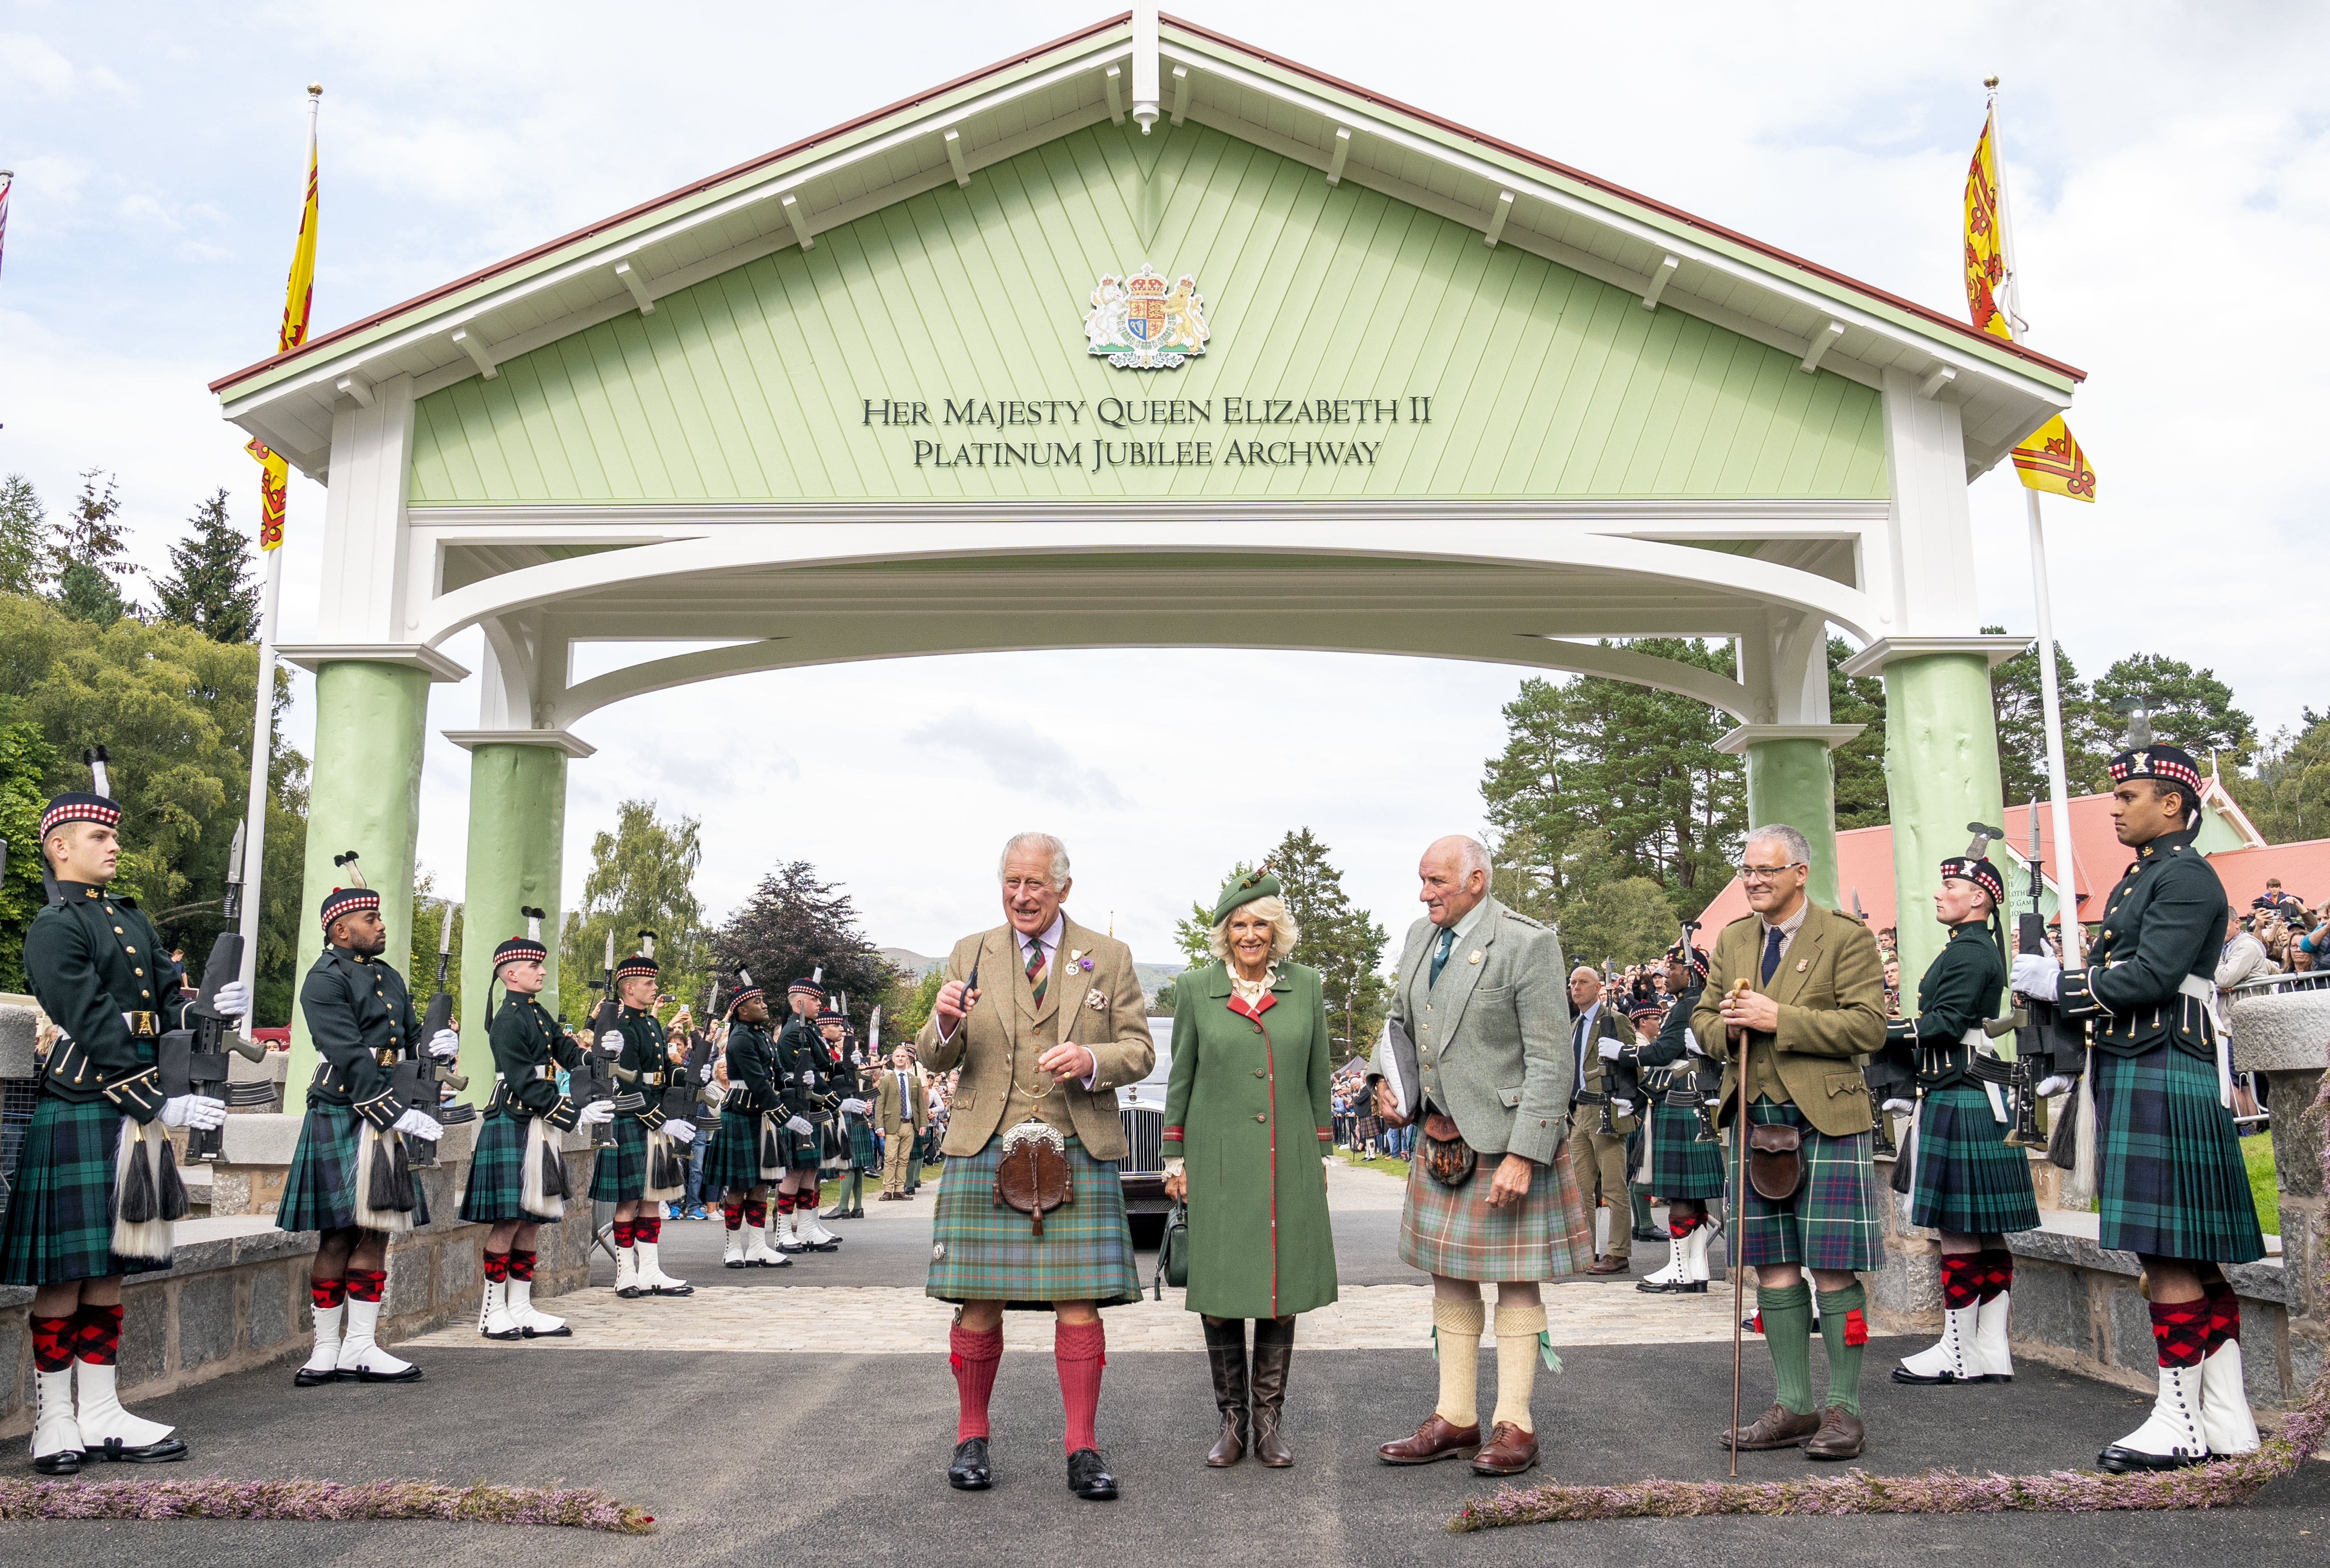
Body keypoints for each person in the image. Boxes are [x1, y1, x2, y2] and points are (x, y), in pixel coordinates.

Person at [2012, 744, 2264, 1471]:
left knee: (2170, 1252)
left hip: (2161, 1060)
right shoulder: (2148, 875)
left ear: (2174, 805)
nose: (2116, 807)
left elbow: (2152, 975)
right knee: (2188, 1255)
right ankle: (2225, 1419)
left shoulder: (2183, 876)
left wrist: (2063, 986)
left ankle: (2178, 1419)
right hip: (2139, 1062)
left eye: (2129, 795)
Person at [3, 773, 236, 1472]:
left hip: (128, 1107)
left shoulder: (131, 919)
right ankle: (55, 1419)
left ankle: (103, 1411)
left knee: (110, 1265)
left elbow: (165, 1002)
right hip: (85, 1098)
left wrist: (207, 1008)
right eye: (101, 836)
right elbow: (93, 1022)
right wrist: (156, 1102)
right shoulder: (54, 928)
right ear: (60, 847)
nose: (114, 846)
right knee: (66, 1273)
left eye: (115, 835)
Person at [918, 831, 1155, 1501]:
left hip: (1075, 1142)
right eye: (1012, 883)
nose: (1022, 896)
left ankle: (1082, 1447)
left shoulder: (1107, 957)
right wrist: (939, 1025)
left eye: (1036, 886)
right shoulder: (972, 952)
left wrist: (1092, 1060)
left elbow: (1139, 1050)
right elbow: (938, 1058)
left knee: (1078, 1302)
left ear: (1063, 890)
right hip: (986, 1142)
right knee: (978, 1299)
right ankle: (971, 1437)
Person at [1372, 836, 1590, 1480]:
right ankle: (1454, 1417)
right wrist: (1395, 1092)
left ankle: (1515, 1423)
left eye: (1435, 881)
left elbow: (1552, 1058)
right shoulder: (1418, 936)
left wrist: (1527, 1152)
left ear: (1475, 880)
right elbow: (1398, 1024)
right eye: (1421, 880)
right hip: (1438, 1135)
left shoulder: (1527, 943)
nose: (1423, 893)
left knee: (1517, 1279)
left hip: (1504, 1140)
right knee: (1448, 1274)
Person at [1694, 823, 1887, 1461]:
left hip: (1826, 1119)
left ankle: (1846, 1409)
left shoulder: (1846, 936)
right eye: (1747, 870)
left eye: (1766, 871)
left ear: (1800, 872)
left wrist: (1782, 1019)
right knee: (1773, 1266)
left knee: (1832, 1265)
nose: (1752, 880)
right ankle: (1794, 1404)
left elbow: (1868, 1027)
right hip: (1755, 1116)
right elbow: (1701, 1018)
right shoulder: (1733, 938)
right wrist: (1724, 1027)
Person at [1161, 872, 1337, 1469]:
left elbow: (1319, 1072)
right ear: (1224, 933)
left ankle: (1268, 1424)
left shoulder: (1307, 986)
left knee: (1279, 1292)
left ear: (1276, 930)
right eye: (1238, 924)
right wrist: (1174, 1156)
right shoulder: (1194, 988)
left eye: (1260, 923)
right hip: (1217, 1162)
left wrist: (1320, 1152)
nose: (1249, 934)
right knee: (1219, 1293)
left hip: (1284, 1158)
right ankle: (1231, 1422)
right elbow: (1181, 1076)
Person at [279, 856, 461, 1389]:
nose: (381, 925)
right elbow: (347, 1053)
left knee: (376, 1231)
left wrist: (437, 1048)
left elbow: (408, 1042)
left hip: (387, 1109)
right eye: (371, 918)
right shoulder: (323, 978)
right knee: (336, 1235)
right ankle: (325, 1348)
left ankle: (361, 1345)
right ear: (341, 928)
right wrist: (392, 1111)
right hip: (343, 1107)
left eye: (380, 918)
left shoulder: (388, 975)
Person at [1887, 847, 2037, 1387]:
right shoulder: (1973, 947)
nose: (1938, 893)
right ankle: (1989, 1347)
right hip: (1976, 1087)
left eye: (1949, 887)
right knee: (1986, 1227)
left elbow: (1946, 1023)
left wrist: (1879, 1033)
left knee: (1958, 1227)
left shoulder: (1971, 952)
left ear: (1978, 897)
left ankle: (1958, 1349)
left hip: (1959, 1085)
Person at [460, 925, 613, 1338]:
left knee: (531, 1220)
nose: (542, 971)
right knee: (508, 1220)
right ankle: (492, 1312)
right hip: (514, 1119)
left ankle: (522, 1306)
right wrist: (572, 1114)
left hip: (536, 1122)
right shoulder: (509, 1019)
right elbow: (523, 1081)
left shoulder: (536, 1012)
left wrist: (600, 1050)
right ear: (510, 973)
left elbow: (566, 1053)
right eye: (534, 965)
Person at [591, 945, 694, 1298]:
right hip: (634, 1115)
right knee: (629, 1200)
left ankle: (651, 1270)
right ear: (629, 987)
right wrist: (659, 1119)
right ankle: (625, 1273)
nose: (655, 987)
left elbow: (659, 1072)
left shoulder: (651, 1022)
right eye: (648, 982)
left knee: (652, 1198)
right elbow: (631, 1079)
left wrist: (688, 1074)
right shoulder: (620, 1026)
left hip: (656, 1113)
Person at [1631, 939, 1726, 1295]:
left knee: (1680, 1192)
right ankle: (1695, 1269)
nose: (1664, 976)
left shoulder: (1688, 1005)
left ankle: (1680, 1271)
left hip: (1684, 1099)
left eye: (1670, 969)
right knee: (1692, 1194)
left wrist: (1628, 1054)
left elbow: (1665, 1051)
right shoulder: (1694, 1003)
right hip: (1697, 1099)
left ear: (1689, 972)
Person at [702, 978, 790, 1269]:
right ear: (742, 1011)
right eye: (757, 1003)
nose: (764, 1005)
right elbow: (756, 1080)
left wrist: (793, 1083)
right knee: (738, 1185)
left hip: (760, 1115)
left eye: (763, 1001)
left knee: (761, 1184)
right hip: (741, 1112)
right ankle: (732, 1247)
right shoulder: (740, 1039)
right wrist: (784, 1114)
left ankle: (757, 1246)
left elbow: (776, 1072)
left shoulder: (761, 1034)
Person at [1564, 966, 1640, 1276]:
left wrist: (1629, 1100)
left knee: (1613, 1186)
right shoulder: (1574, 1026)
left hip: (1607, 1109)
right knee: (1580, 1188)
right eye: (1572, 982)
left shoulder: (1615, 1020)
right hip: (1580, 1111)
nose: (1576, 987)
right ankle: (1587, 1250)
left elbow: (1631, 1061)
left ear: (1598, 988)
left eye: (1583, 982)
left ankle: (1618, 1252)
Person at [771, 980, 838, 1254]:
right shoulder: (791, 1034)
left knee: (811, 1168)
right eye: (815, 1001)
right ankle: (783, 1231)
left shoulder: (808, 1029)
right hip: (799, 1104)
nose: (820, 1005)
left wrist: (844, 1066)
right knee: (795, 1171)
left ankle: (809, 1227)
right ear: (799, 1004)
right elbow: (807, 1070)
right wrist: (836, 1100)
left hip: (813, 1104)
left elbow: (822, 1064)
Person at [875, 1044, 929, 1200]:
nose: (900, 1059)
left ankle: (900, 1189)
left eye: (903, 1056)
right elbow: (880, 1104)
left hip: (909, 1125)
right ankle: (888, 1190)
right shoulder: (886, 1080)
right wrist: (879, 1125)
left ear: (908, 1059)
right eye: (897, 1056)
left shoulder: (916, 1080)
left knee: (904, 1159)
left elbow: (920, 1104)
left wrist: (923, 1124)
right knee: (890, 1158)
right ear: (893, 1059)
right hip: (892, 1124)